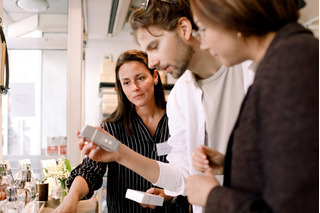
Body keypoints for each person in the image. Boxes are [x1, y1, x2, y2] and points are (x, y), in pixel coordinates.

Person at [78, 1, 254, 212]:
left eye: (155, 46)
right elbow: (181, 176)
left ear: (184, 29)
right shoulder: (182, 94)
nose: (152, 62)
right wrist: (119, 153)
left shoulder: (250, 70)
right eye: (126, 82)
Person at [185, 0, 318, 212]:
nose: (204, 45)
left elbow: (293, 205)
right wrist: (232, 164)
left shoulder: (290, 66)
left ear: (232, 13)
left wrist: (212, 197)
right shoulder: (284, 60)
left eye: (203, 28)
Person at [52, 50, 190, 213]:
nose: (135, 88)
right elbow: (90, 170)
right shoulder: (113, 127)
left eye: (140, 78)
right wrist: (71, 199)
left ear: (155, 76)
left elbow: (191, 173)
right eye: (126, 82)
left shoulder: (179, 120)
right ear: (120, 87)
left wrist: (168, 194)